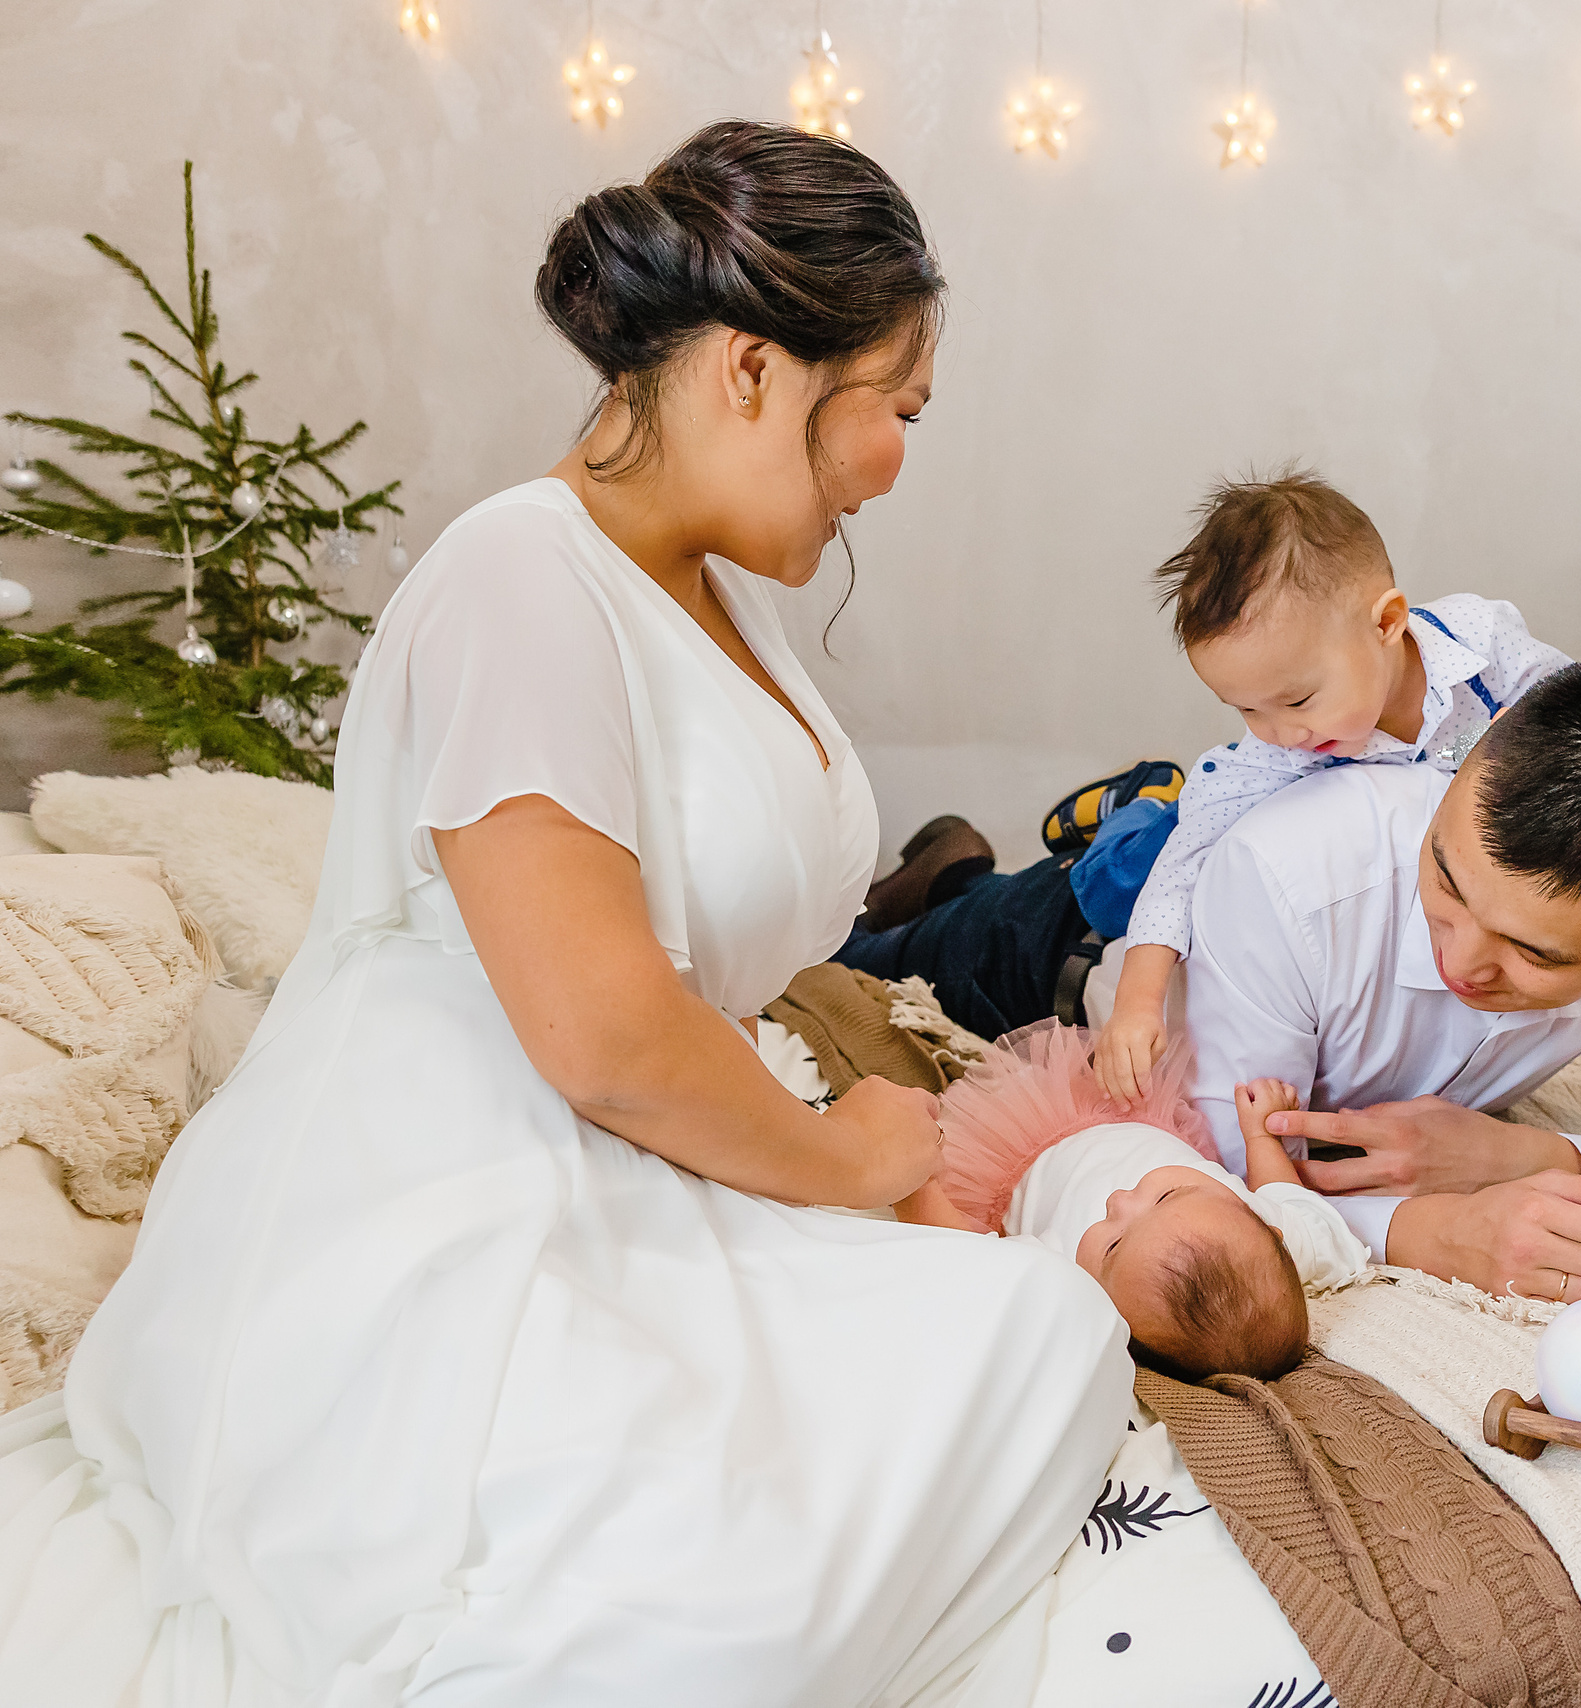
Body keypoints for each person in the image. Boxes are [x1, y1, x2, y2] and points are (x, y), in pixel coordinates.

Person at [0, 122, 1130, 1706]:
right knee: (704, 1598)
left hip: (664, 1139)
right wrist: (847, 1162)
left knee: (1043, 1339)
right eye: (899, 407)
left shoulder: (719, 594)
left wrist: (845, 1165)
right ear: (753, 371)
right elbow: (601, 1034)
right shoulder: (518, 578)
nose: (896, 462)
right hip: (468, 1152)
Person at [1183, 657, 1581, 1303]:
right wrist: (1435, 1231)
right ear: (1481, 741)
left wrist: (1520, 1156)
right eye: (1447, 883)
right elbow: (1224, 1180)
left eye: (1534, 953)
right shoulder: (1284, 873)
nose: (1461, 964)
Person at [1092, 471, 1572, 1103]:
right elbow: (1179, 872)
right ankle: (1126, 812)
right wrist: (1136, 1005)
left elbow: (1570, 696)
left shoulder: (1478, 642)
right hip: (1184, 838)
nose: (1281, 731)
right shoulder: (1268, 757)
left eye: (1297, 700)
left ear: (1387, 623)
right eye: (1246, 709)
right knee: (1109, 885)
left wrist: (1528, 729)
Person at [894, 1023, 1368, 1380]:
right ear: (1270, 1230)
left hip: (1014, 1154)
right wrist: (1261, 1139)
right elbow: (1290, 1199)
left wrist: (912, 1183)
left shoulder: (1062, 1277)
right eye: (1167, 1195)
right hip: (1111, 1112)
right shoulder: (1280, 1240)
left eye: (1112, 1245)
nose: (1119, 1201)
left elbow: (966, 1256)